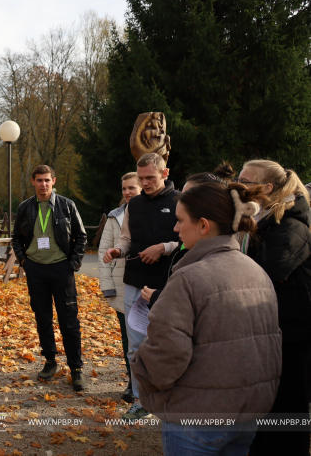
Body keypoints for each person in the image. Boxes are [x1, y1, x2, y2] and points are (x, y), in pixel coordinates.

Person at [131, 181, 281, 456]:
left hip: (196, 416)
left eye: (179, 220)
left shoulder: (188, 278)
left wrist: (140, 370)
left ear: (203, 225)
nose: (175, 229)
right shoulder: (256, 271)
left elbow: (167, 354)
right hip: (246, 414)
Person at [239, 160, 311, 456]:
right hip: (273, 331)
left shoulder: (292, 224)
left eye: (245, 180)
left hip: (293, 336)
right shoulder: (264, 219)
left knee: (287, 415)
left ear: (267, 188)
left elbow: (266, 274)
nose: (237, 184)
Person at [102, 152, 180, 421]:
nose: (145, 183)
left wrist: (164, 248)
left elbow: (189, 241)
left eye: (150, 178)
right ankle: (139, 400)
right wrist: (117, 251)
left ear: (165, 173)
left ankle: (170, 399)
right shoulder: (133, 205)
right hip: (134, 282)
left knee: (169, 344)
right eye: (141, 178)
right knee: (136, 346)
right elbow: (126, 239)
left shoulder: (180, 201)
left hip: (169, 285)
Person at [11, 165, 88, 390]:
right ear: (33, 182)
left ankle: (76, 368)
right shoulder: (25, 207)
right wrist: (24, 261)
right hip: (35, 270)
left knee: (69, 321)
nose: (43, 184)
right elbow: (16, 238)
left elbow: (81, 237)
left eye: (47, 180)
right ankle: (50, 361)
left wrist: (72, 264)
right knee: (43, 319)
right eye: (39, 180)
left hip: (61, 269)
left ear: (54, 181)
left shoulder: (67, 205)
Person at [141, 163, 236, 307]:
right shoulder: (189, 247)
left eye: (187, 196)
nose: (176, 228)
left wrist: (159, 298)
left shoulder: (200, 270)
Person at [98, 172, 141, 403]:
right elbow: (103, 252)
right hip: (122, 286)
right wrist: (108, 287)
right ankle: (132, 382)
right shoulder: (115, 217)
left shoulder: (151, 213)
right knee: (128, 340)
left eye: (131, 188)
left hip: (147, 286)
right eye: (124, 188)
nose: (127, 192)